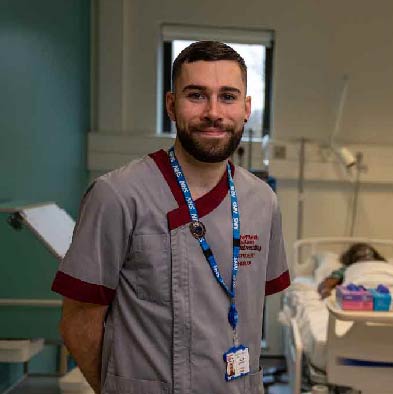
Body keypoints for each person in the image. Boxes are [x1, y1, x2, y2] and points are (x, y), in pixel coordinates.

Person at [51, 41, 290, 394]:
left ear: (246, 109)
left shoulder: (262, 201)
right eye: (196, 95)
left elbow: (251, 306)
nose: (213, 112)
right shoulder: (118, 195)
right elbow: (78, 321)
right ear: (171, 105)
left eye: (227, 96)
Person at [317, 243, 393, 298]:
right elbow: (327, 284)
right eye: (360, 254)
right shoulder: (348, 269)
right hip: (364, 293)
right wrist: (326, 292)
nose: (365, 255)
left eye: (367, 253)